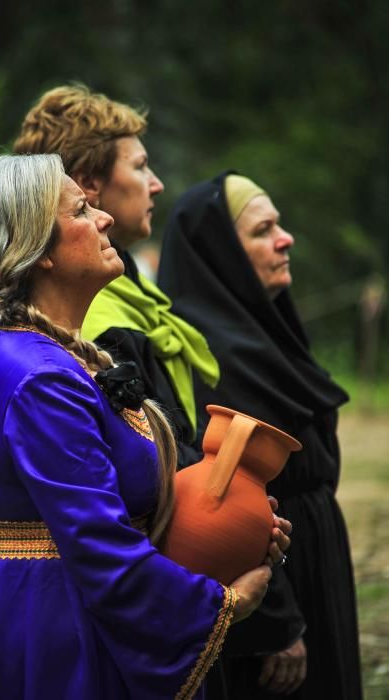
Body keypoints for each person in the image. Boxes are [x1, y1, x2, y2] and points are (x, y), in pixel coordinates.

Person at [0, 155, 294, 699]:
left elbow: (118, 507)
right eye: (81, 210)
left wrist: (232, 525)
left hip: (72, 615)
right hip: (64, 639)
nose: (104, 220)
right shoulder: (39, 377)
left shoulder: (62, 356)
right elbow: (100, 544)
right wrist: (225, 604)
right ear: (37, 251)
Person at [158, 172, 362, 700]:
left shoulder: (271, 338)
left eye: (280, 224)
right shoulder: (214, 356)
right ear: (219, 253)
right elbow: (224, 502)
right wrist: (276, 624)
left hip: (315, 557)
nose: (285, 238)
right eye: (262, 229)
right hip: (271, 582)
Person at [13, 84, 219, 469]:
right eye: (140, 166)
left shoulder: (130, 292)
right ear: (89, 183)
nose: (156, 184)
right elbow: (151, 465)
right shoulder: (93, 315)